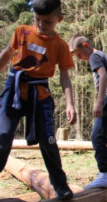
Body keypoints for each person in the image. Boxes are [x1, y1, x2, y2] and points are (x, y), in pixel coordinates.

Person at [0, 0, 76, 199]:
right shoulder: (21, 31)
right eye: (37, 20)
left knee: (48, 141)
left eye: (47, 22)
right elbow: (7, 54)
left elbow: (65, 76)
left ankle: (60, 186)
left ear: (59, 19)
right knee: (2, 136)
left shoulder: (60, 45)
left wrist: (70, 103)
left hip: (40, 94)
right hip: (14, 89)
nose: (41, 25)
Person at [68, 35, 107, 189]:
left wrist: (100, 101)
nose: (80, 58)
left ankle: (103, 174)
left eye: (79, 54)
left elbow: (103, 76)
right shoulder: (103, 54)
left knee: (97, 136)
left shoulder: (94, 56)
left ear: (85, 45)